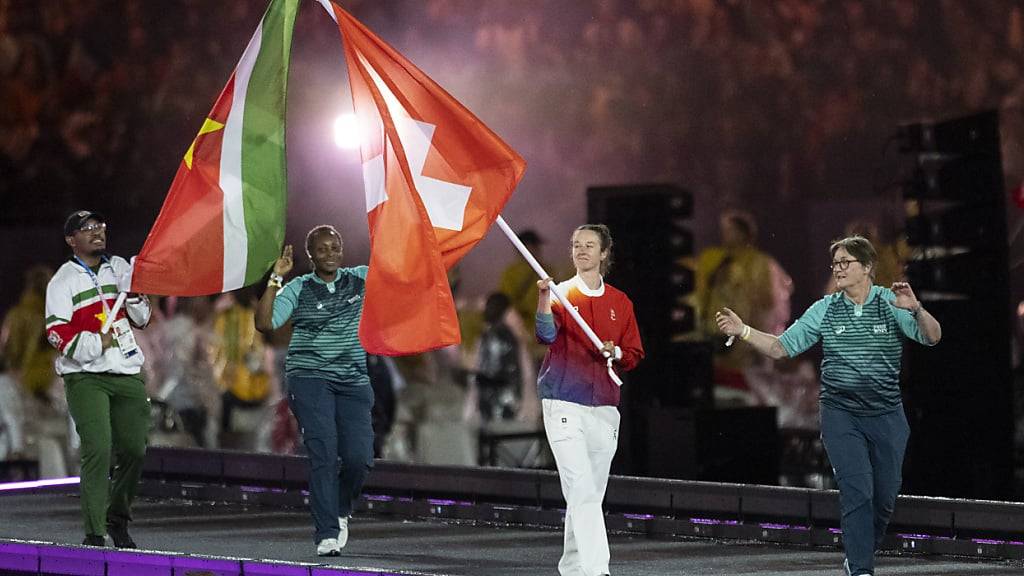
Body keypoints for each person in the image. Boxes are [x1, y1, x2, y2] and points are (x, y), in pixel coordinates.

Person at [715, 235, 942, 576]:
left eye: (845, 262)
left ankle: (861, 550)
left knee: (884, 498)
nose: (838, 269)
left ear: (867, 267)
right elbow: (780, 348)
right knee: (857, 492)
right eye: (835, 263)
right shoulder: (824, 308)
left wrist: (917, 309)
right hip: (841, 414)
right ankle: (860, 568)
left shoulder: (892, 303)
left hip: (886, 414)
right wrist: (744, 330)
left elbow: (933, 336)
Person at [254, 225, 374, 557]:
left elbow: (402, 279)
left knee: (360, 458)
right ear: (310, 256)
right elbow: (264, 323)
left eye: (335, 247)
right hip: (309, 378)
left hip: (352, 379)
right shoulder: (299, 287)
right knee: (324, 452)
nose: (330, 254)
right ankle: (326, 533)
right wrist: (276, 278)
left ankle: (341, 508)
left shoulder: (361, 278)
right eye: (322, 249)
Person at [535, 224, 644, 576]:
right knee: (581, 488)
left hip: (605, 408)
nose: (581, 250)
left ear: (604, 253)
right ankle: (598, 570)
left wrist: (616, 352)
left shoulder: (620, 302)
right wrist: (543, 298)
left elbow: (634, 353)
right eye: (576, 245)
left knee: (588, 495)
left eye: (589, 245)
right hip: (564, 403)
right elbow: (545, 334)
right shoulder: (561, 294)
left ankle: (573, 568)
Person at [44, 210, 152, 548]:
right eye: (87, 228)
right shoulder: (62, 280)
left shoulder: (119, 268)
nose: (97, 232)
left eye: (100, 226)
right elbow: (55, 331)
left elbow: (142, 318)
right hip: (85, 376)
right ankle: (94, 532)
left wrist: (133, 295)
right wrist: (96, 343)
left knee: (134, 449)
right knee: (98, 449)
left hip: (125, 371)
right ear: (71, 240)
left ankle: (117, 517)